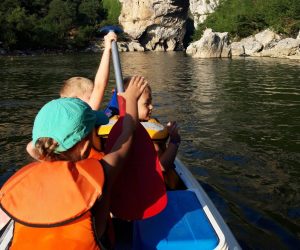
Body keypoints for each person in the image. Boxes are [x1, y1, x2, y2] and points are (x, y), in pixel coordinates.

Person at [0, 76, 148, 249]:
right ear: (86, 147)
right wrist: (131, 99)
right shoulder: (101, 174)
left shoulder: (16, 185)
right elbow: (127, 134)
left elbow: (33, 149)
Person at [26, 32, 117, 160]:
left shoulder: (53, 125)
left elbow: (30, 148)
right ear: (76, 99)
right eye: (90, 97)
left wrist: (44, 160)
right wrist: (107, 49)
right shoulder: (82, 113)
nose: (95, 100)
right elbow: (99, 86)